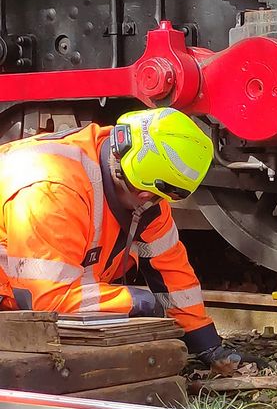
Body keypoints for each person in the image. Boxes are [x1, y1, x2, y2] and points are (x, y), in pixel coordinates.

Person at [0, 107, 257, 367]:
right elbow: (46, 300)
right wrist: (135, 302)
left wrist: (208, 346)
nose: (159, 204)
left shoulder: (142, 195)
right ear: (145, 194)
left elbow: (172, 273)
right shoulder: (51, 192)